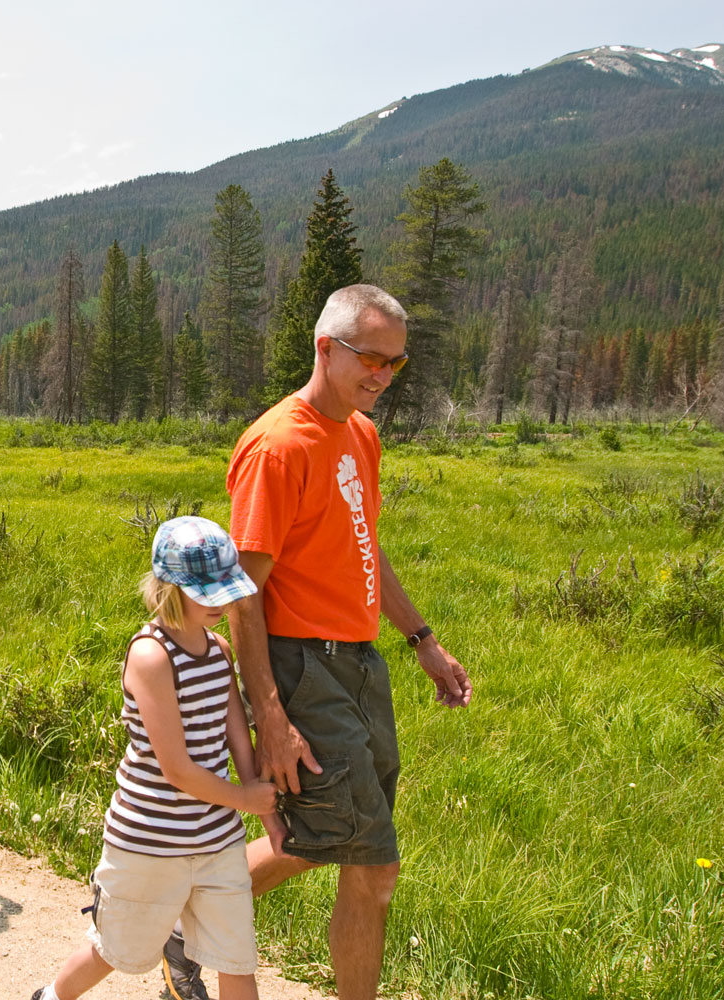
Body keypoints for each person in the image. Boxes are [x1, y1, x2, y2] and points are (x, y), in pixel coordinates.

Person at [161, 285, 471, 1000]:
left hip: (360, 664)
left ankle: (177, 917)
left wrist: (421, 638)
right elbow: (244, 592)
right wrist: (270, 712)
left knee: (328, 838)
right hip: (304, 666)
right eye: (371, 359)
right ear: (325, 347)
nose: (383, 377)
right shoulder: (277, 446)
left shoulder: (360, 434)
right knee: (373, 863)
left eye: (395, 364)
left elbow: (364, 544)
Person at [32, 516, 280, 1000]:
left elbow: (236, 738)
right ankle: (51, 997)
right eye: (207, 594)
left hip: (217, 841)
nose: (221, 603)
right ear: (169, 589)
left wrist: (259, 805)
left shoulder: (219, 650)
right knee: (115, 950)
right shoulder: (150, 656)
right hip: (148, 843)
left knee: (236, 960)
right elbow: (176, 768)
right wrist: (246, 798)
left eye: (227, 591)